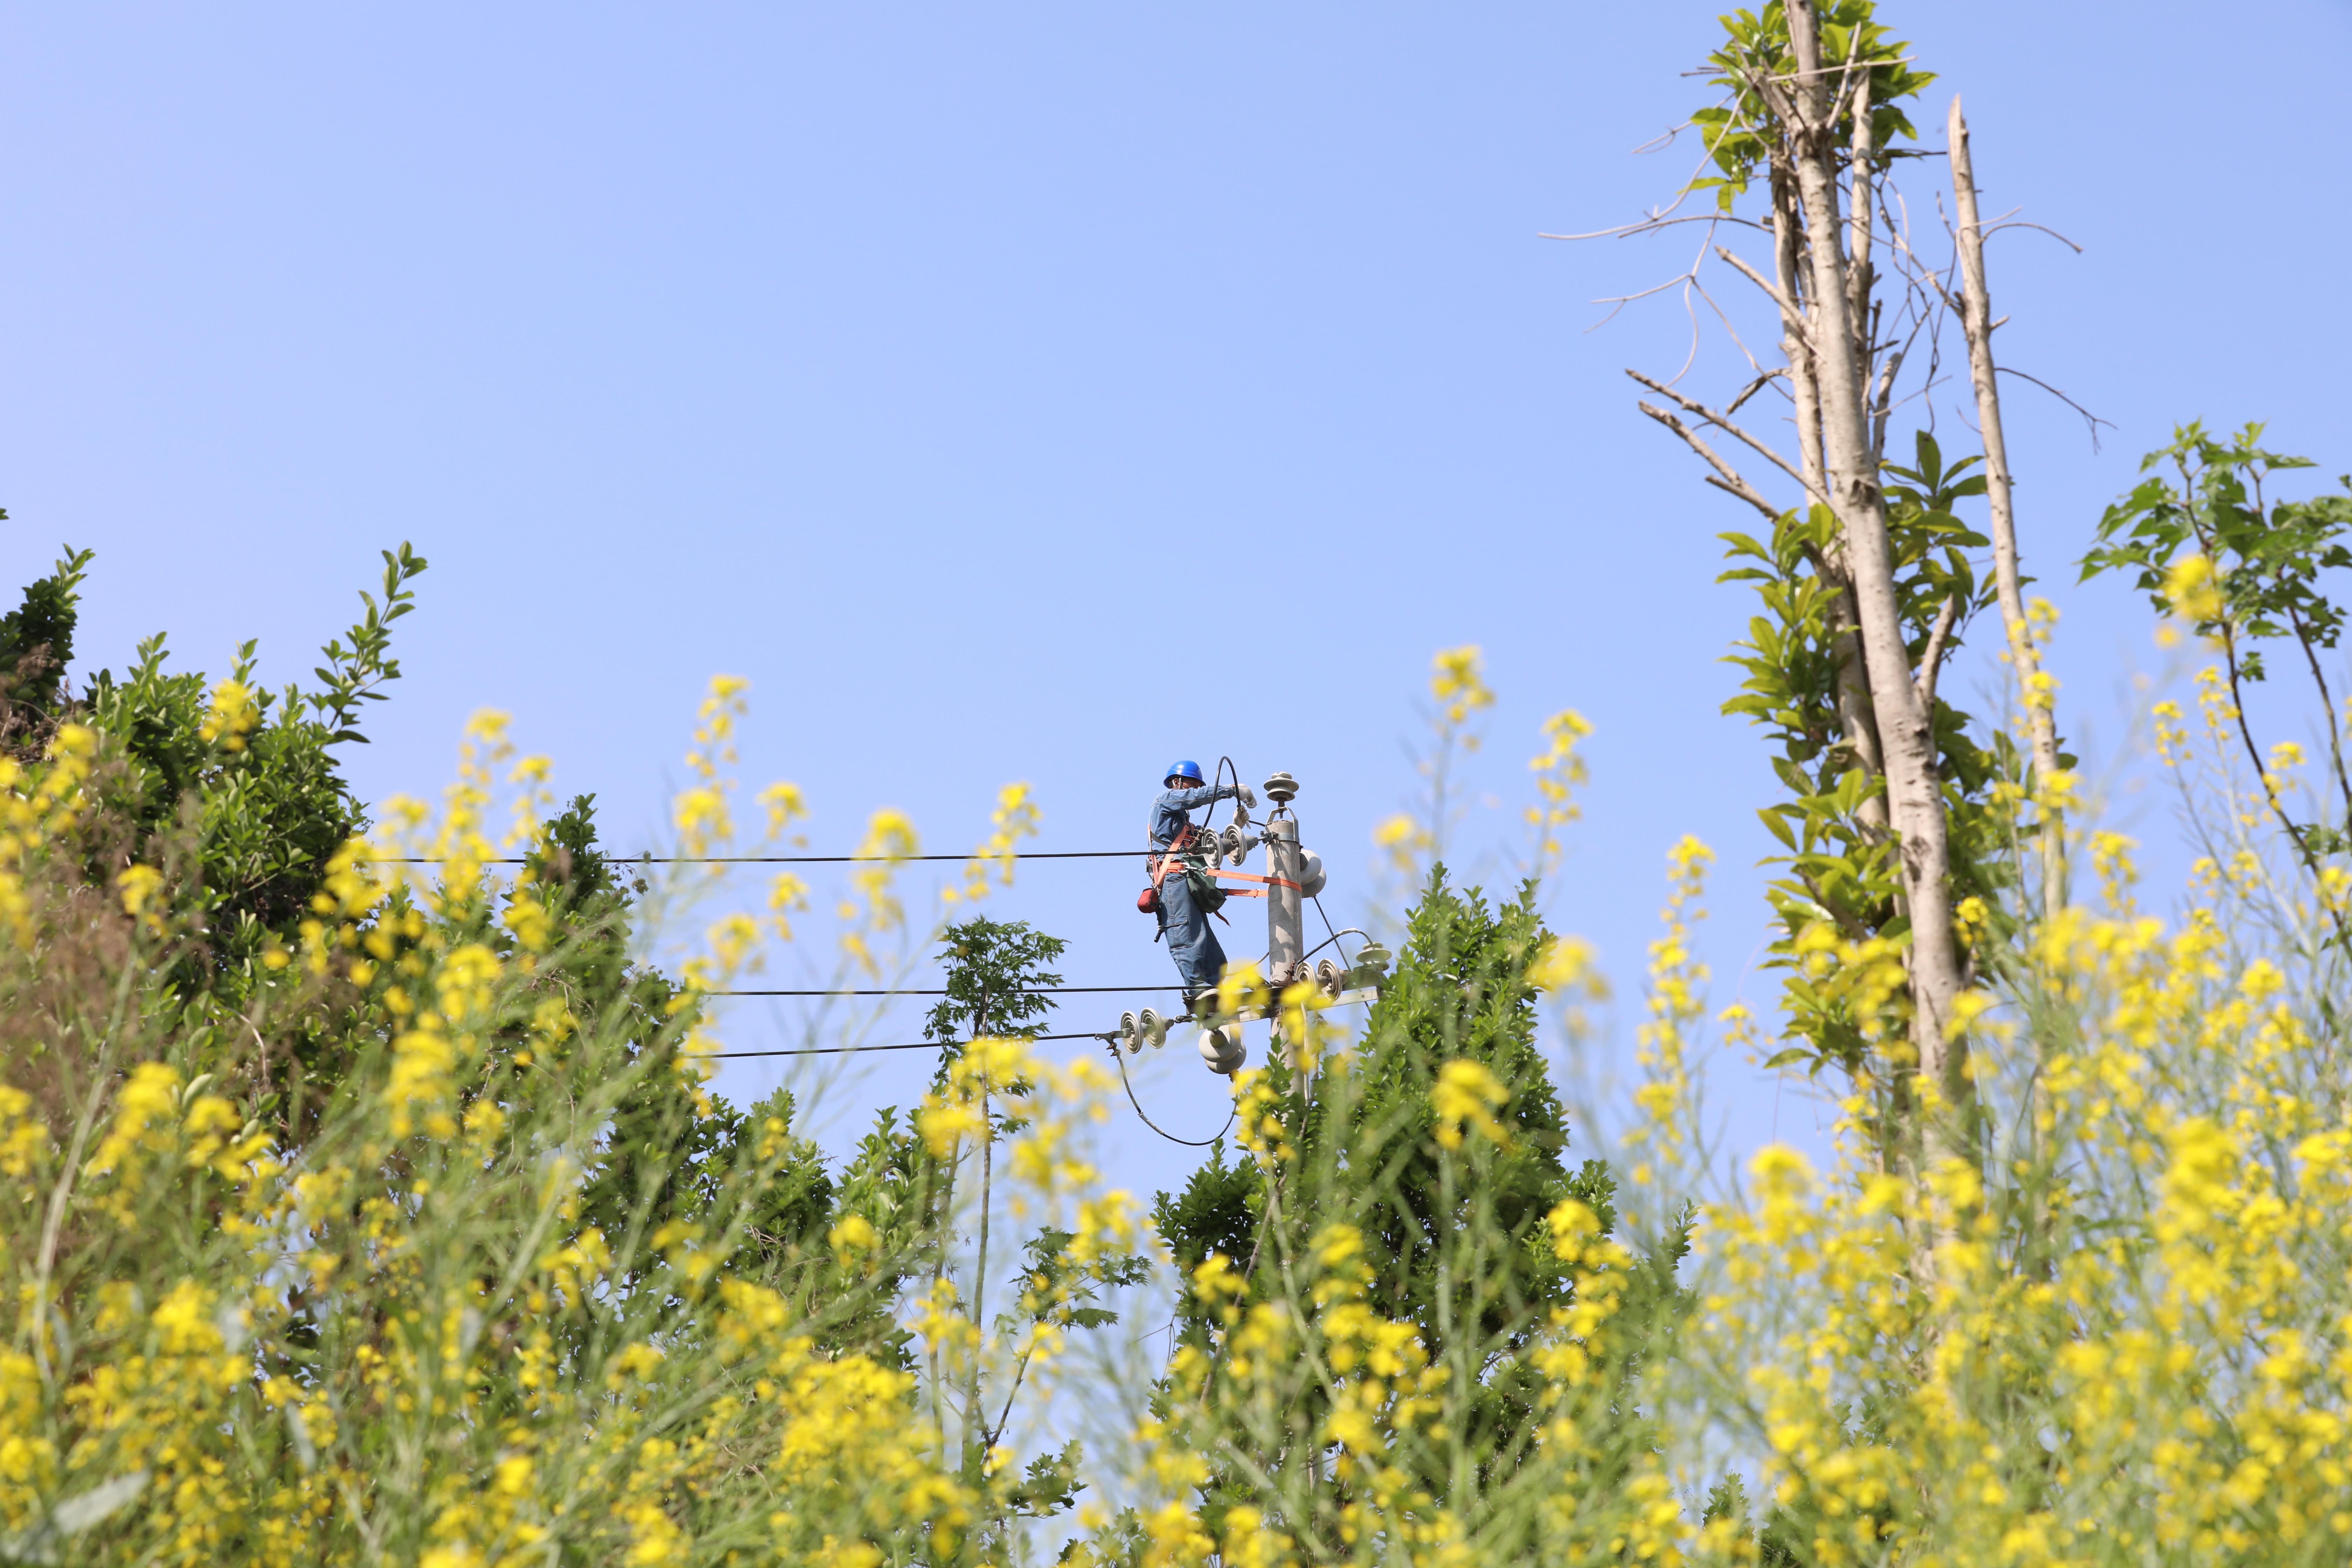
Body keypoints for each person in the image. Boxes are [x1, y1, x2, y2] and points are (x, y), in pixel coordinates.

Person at [1149, 761, 1253, 1009]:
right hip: (1173, 879)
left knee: (1209, 947)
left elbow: (1209, 846)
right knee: (1186, 935)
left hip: (1188, 879)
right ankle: (1198, 989)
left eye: (1198, 786)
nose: (1195, 790)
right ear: (1177, 782)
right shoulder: (1165, 801)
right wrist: (1231, 790)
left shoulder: (1185, 825)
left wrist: (1236, 829)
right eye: (1192, 785)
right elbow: (1194, 798)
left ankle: (1215, 991)